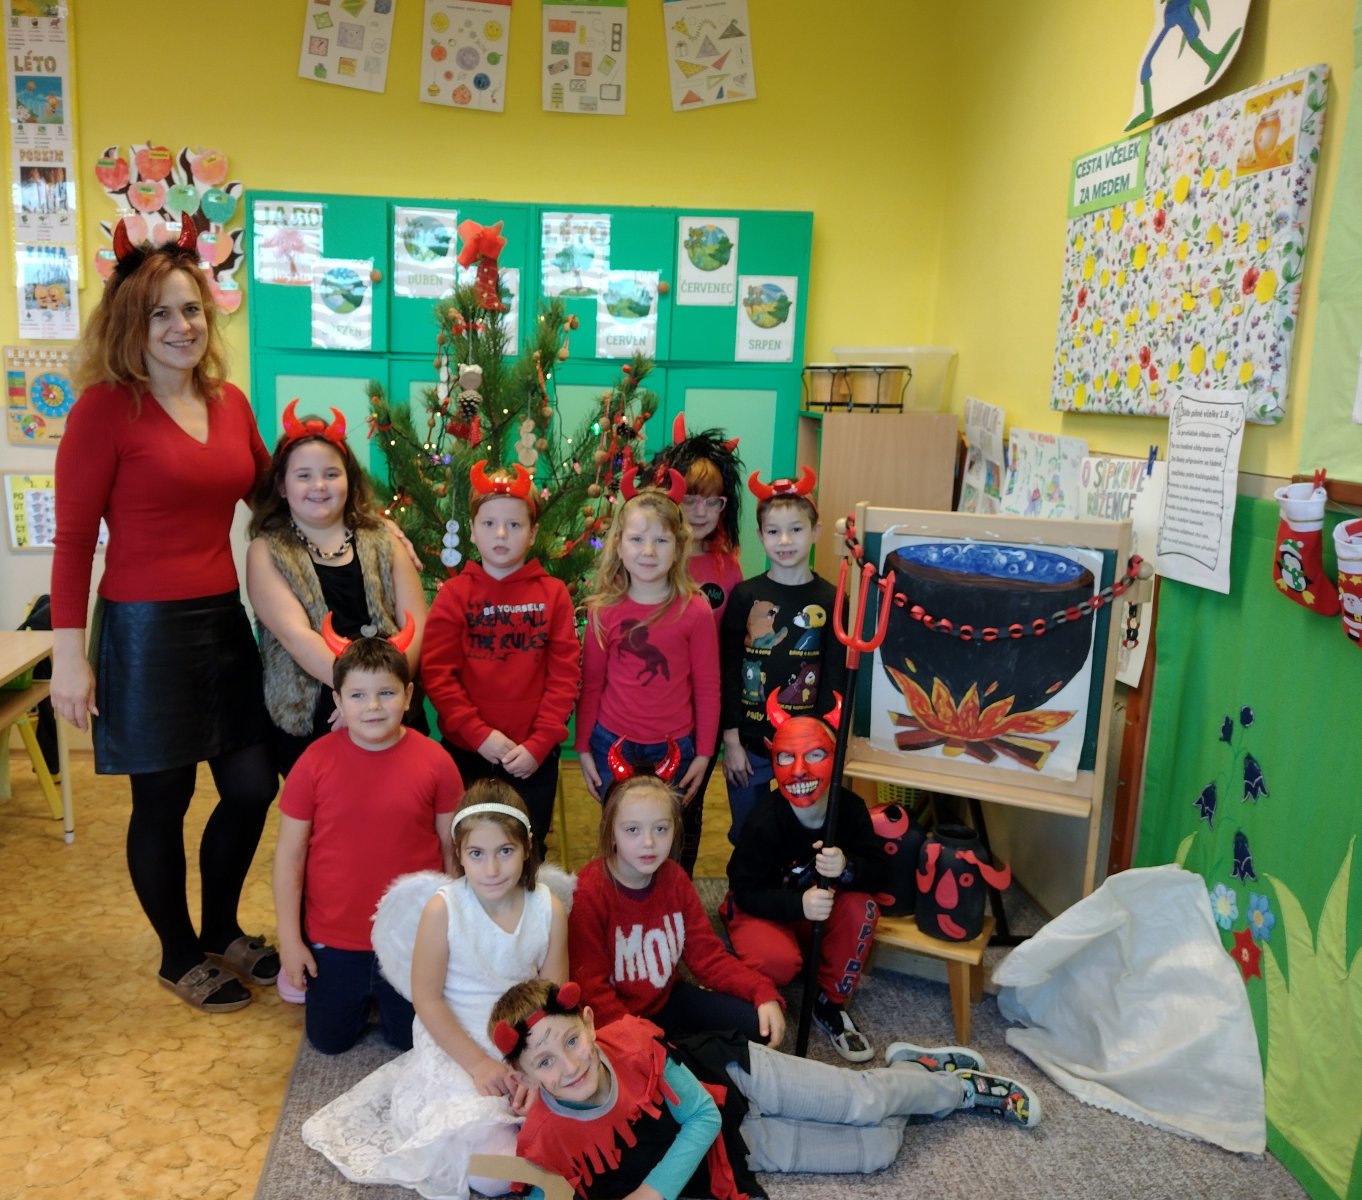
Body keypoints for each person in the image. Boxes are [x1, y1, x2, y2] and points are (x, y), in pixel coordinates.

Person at [50, 214, 279, 1013]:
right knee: (164, 801)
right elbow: (73, 540)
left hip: (221, 621)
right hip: (143, 632)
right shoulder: (104, 411)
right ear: (130, 324)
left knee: (251, 785)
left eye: (191, 309)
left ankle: (221, 928)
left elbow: (272, 498)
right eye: (161, 313)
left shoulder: (230, 403)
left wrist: (371, 530)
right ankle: (179, 953)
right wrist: (68, 657)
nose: (182, 326)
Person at [490, 979, 1040, 1200]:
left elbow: (703, 1115)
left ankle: (955, 1088)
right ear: (527, 1077)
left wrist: (653, 1194)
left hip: (735, 1080)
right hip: (730, 1152)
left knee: (863, 1100)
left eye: (571, 1040)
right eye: (545, 1061)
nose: (570, 1065)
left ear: (589, 1023)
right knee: (876, 1148)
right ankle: (914, 1075)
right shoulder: (544, 1140)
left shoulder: (632, 1044)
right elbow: (540, 1190)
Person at [300, 784, 570, 1200]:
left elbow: (552, 1002)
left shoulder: (547, 908)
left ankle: (547, 1144)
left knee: (579, 1097)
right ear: (458, 853)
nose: (492, 869)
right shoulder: (443, 909)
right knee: (490, 1173)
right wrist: (479, 1065)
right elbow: (427, 999)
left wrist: (537, 1071)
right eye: (476, 854)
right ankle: (535, 1161)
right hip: (458, 1041)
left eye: (505, 851)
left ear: (527, 847)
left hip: (528, 1041)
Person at [273, 635, 461, 1054]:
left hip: (411, 938)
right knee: (329, 1042)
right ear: (337, 700)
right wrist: (290, 940)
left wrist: (453, 931)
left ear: (408, 695)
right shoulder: (313, 762)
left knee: (408, 1043)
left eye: (386, 693)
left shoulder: (436, 761)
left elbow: (452, 850)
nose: (373, 706)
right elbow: (289, 857)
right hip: (334, 939)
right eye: (358, 695)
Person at [247, 401, 429, 776]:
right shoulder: (266, 552)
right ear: (282, 486)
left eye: (331, 474)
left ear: (349, 480)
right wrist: (355, 698)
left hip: (392, 701)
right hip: (317, 710)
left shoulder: (385, 539)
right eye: (304, 476)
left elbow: (417, 625)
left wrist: (380, 695)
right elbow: (297, 636)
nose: (319, 485)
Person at [421, 461, 580, 862]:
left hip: (533, 757)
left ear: (533, 533)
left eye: (514, 525)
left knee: (527, 850)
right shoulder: (454, 595)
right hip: (468, 752)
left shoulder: (554, 595)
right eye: (489, 524)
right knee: (466, 850)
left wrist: (540, 743)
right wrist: (479, 735)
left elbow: (564, 677)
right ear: (473, 530)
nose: (501, 534)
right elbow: (438, 676)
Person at [568, 759, 785, 1046]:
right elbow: (593, 991)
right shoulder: (589, 891)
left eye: (661, 829)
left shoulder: (674, 878)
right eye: (632, 830)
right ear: (611, 831)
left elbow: (708, 957)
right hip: (616, 1018)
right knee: (655, 1062)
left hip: (668, 1000)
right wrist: (642, 1041)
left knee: (760, 1026)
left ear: (674, 829)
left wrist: (760, 990)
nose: (649, 842)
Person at [724, 693, 892, 1062]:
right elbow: (744, 889)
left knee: (862, 908)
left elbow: (880, 873)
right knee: (778, 963)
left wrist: (847, 866)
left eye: (814, 755)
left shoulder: (849, 809)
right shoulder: (764, 820)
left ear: (836, 758)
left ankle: (828, 1002)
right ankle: (762, 984)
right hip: (767, 909)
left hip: (819, 913)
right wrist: (798, 903)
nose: (799, 770)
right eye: (786, 758)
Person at [575, 466, 719, 877]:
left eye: (661, 540)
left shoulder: (695, 609)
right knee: (620, 835)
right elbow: (592, 684)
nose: (649, 551)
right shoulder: (603, 610)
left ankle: (668, 903)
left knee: (667, 838)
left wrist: (705, 753)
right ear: (619, 546)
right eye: (637, 539)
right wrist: (583, 747)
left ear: (678, 547)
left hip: (675, 747)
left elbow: (708, 687)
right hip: (611, 741)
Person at [720, 467, 846, 843]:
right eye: (773, 531)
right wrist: (731, 742)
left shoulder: (832, 599)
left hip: (808, 747)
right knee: (749, 834)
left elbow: (835, 677)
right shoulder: (745, 596)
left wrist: (822, 742)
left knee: (805, 834)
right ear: (761, 536)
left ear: (816, 532)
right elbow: (728, 670)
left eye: (796, 529)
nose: (785, 540)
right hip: (750, 746)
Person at [651, 415, 745, 622]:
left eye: (712, 502)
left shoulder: (729, 567)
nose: (701, 512)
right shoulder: (648, 559)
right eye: (689, 500)